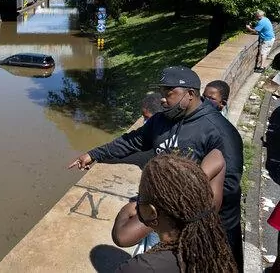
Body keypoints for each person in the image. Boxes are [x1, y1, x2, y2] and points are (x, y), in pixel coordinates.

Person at [68, 66, 244, 271]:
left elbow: (229, 185)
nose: (162, 99)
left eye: (169, 93)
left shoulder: (220, 131)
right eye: (161, 92)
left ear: (190, 94)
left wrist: (186, 206)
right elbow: (132, 141)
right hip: (165, 220)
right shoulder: (161, 120)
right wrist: (94, 154)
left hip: (207, 224)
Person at [115, 154, 238, 273]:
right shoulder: (212, 243)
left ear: (152, 213)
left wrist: (124, 211)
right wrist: (192, 185)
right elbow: (218, 156)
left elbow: (121, 237)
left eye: (140, 197)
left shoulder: (139, 268)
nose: (137, 201)